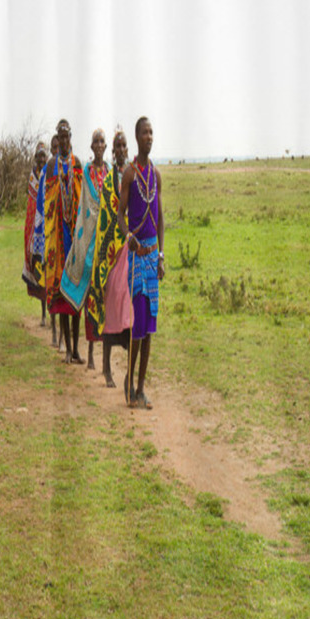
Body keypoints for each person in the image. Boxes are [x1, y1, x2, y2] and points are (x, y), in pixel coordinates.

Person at [118, 117, 165, 408]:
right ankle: (129, 383)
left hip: (152, 255)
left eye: (151, 132)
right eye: (144, 132)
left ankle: (141, 388)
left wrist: (161, 256)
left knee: (149, 327)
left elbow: (160, 219)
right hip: (136, 256)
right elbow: (120, 215)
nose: (149, 136)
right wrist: (129, 238)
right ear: (136, 137)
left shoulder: (156, 176)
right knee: (137, 323)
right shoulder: (129, 174)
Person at [61, 128, 110, 371]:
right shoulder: (87, 173)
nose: (99, 145)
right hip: (86, 239)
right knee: (84, 294)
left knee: (99, 299)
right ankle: (81, 350)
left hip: (104, 241)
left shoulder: (110, 173)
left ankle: (94, 353)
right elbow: (84, 208)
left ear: (106, 146)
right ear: (91, 147)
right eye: (96, 142)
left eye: (102, 141)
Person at [90, 127, 132, 387]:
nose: (118, 150)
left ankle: (130, 368)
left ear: (127, 150)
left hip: (131, 251)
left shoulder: (133, 176)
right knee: (110, 306)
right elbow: (104, 222)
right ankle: (106, 368)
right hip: (112, 256)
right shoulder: (108, 183)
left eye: (122, 145)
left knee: (130, 309)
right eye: (115, 146)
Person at [43, 119, 84, 364]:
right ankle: (67, 349)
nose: (64, 140)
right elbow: (47, 201)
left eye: (67, 136)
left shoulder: (78, 163)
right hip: (58, 238)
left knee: (75, 295)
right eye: (60, 136)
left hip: (75, 236)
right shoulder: (50, 166)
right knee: (61, 298)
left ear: (71, 137)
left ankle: (76, 349)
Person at [35, 134, 60, 347]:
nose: (55, 151)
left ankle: (61, 333)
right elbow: (40, 208)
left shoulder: (70, 169)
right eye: (53, 147)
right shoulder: (45, 173)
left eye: (58, 147)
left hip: (64, 235)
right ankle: (52, 326)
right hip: (48, 235)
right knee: (49, 281)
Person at [23, 142, 48, 325]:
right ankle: (43, 314)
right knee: (38, 270)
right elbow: (32, 207)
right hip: (35, 230)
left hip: (48, 229)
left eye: (43, 156)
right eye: (38, 156)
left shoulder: (49, 174)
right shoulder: (33, 178)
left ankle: (50, 315)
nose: (41, 159)